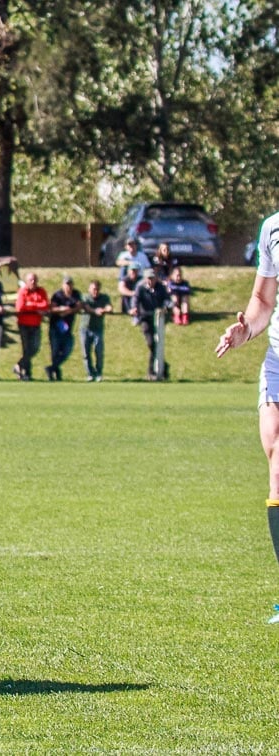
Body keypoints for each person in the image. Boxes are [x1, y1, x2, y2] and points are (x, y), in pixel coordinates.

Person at [215, 210, 279, 623]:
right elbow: (262, 301)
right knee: (277, 461)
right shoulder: (273, 227)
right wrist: (246, 331)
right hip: (278, 361)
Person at [131, 267, 171, 380]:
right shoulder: (140, 288)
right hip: (145, 318)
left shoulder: (161, 288)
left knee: (157, 344)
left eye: (152, 278)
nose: (150, 280)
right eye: (148, 278)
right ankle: (161, 367)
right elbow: (135, 300)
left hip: (159, 319)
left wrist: (166, 306)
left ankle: (154, 371)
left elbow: (167, 300)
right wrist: (134, 309)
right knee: (151, 343)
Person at [13, 272, 49, 380]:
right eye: (31, 280)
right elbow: (20, 307)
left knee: (35, 348)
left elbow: (45, 305)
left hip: (36, 325)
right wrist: (36, 308)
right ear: (27, 281)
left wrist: (30, 305)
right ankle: (27, 373)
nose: (33, 282)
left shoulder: (41, 291)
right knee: (26, 349)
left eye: (35, 280)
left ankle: (18, 366)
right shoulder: (23, 292)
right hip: (24, 324)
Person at [46, 275, 82, 381]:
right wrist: (61, 309)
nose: (69, 287)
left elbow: (79, 306)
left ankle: (51, 368)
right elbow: (52, 308)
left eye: (70, 284)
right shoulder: (57, 295)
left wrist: (69, 311)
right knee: (55, 351)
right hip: (55, 327)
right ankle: (56, 374)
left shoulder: (76, 294)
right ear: (63, 285)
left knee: (67, 349)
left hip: (67, 329)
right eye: (67, 284)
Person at [80, 279, 112, 381]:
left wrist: (105, 310)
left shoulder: (104, 298)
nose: (95, 291)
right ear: (89, 289)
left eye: (97, 289)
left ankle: (99, 373)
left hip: (98, 329)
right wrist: (95, 311)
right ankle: (90, 373)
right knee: (86, 352)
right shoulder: (85, 297)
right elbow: (86, 307)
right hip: (85, 328)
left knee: (99, 351)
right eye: (93, 289)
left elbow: (109, 307)